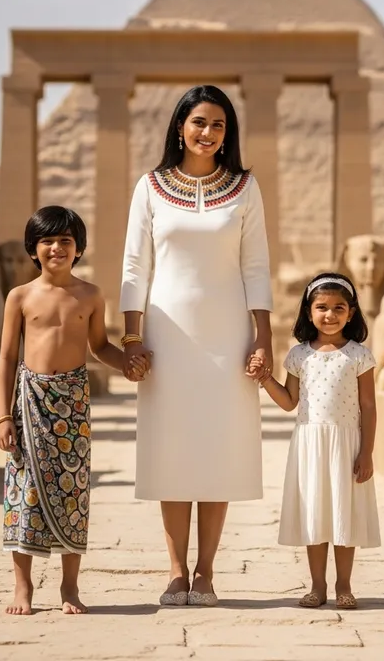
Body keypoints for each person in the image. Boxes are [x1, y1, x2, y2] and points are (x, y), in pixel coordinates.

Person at [121, 85, 273, 607]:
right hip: (167, 335)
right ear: (180, 126)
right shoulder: (151, 187)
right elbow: (135, 267)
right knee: (172, 452)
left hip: (227, 334)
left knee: (218, 451)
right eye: (199, 123)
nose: (208, 134)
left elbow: (256, 268)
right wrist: (133, 337)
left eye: (219, 126)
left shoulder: (245, 188)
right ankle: (175, 571)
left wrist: (264, 337)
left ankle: (206, 572)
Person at [0, 206, 149, 616]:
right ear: (34, 249)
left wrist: (128, 365)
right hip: (29, 401)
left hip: (73, 401)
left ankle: (69, 588)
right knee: (23, 493)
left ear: (78, 248)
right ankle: (23, 588)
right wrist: (3, 416)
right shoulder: (21, 296)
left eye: (65, 241)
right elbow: (8, 358)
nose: (56, 248)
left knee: (73, 492)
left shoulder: (91, 295)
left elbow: (99, 347)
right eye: (47, 241)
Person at [252, 272, 380, 610]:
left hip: (346, 445)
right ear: (309, 312)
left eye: (339, 307)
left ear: (351, 312)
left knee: (343, 514)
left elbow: (368, 405)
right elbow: (289, 402)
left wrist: (366, 452)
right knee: (315, 514)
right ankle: (317, 586)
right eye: (321, 307)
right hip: (309, 445)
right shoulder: (298, 355)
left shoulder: (359, 355)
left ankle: (344, 586)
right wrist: (265, 379)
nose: (330, 314)